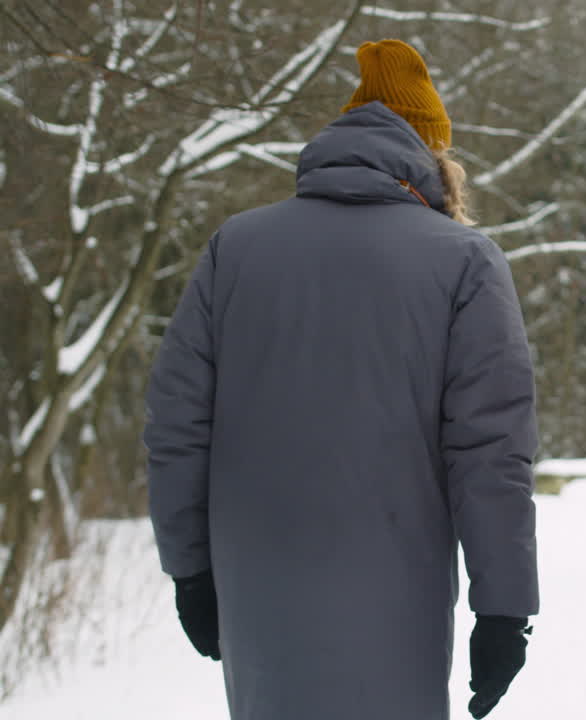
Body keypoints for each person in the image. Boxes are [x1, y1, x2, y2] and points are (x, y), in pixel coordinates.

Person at [144, 40, 538, 720]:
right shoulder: (466, 262)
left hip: (259, 583)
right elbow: (490, 452)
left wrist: (190, 568)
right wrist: (503, 608)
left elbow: (178, 424)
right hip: (395, 589)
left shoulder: (234, 248)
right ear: (433, 155)